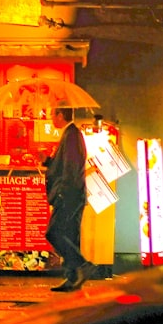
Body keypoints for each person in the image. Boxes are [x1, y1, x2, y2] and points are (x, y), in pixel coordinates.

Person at [44, 103, 96, 292]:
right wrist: (48, 161)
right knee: (69, 235)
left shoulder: (72, 135)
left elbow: (71, 168)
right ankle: (72, 278)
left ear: (60, 115)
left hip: (69, 194)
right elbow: (64, 164)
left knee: (54, 232)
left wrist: (61, 193)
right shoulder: (70, 134)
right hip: (72, 193)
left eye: (52, 113)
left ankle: (82, 265)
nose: (51, 118)